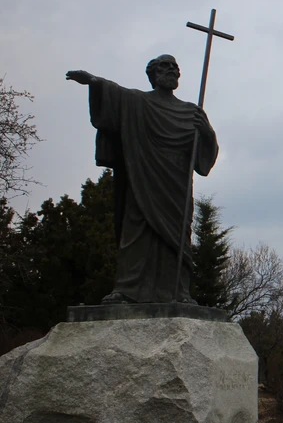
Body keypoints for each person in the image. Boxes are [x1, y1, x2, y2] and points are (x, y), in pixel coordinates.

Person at [66, 55, 218, 303]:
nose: (171, 71)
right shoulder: (138, 101)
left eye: (175, 67)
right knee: (137, 232)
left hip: (176, 184)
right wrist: (93, 81)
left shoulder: (192, 112)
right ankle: (127, 290)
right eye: (164, 66)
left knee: (177, 238)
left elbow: (204, 162)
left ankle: (178, 292)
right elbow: (115, 95)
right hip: (142, 176)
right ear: (153, 74)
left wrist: (207, 132)